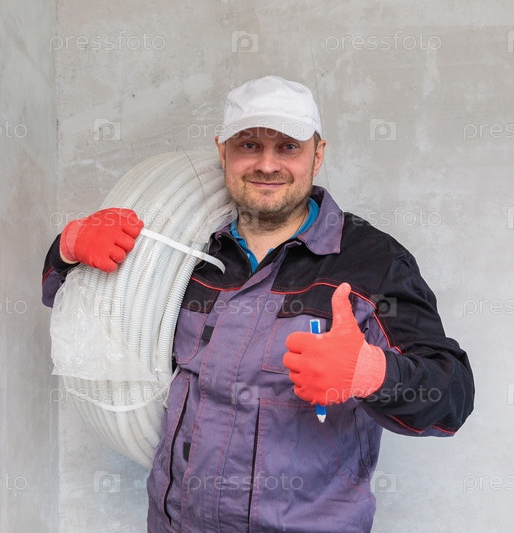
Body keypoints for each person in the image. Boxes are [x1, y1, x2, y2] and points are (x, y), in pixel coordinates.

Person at [42, 75, 475, 533]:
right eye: (249, 145)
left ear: (318, 154)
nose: (267, 165)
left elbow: (452, 398)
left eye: (288, 147)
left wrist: (372, 373)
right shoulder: (184, 251)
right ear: (223, 151)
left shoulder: (372, 262)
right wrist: (67, 250)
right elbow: (80, 306)